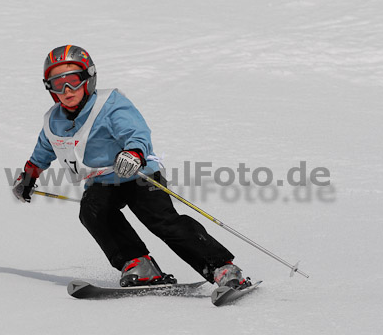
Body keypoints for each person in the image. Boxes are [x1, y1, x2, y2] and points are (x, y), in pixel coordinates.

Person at [13, 45, 250, 289]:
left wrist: (134, 153)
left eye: (72, 80)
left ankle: (222, 267)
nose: (66, 90)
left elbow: (136, 132)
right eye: (57, 83)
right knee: (93, 212)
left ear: (88, 78)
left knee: (162, 221)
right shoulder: (54, 121)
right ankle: (138, 263)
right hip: (102, 181)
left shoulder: (110, 104)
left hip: (138, 173)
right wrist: (28, 177)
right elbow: (43, 150)